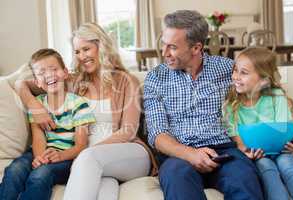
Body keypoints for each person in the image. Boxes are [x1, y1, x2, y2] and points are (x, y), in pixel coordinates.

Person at [15, 23, 152, 200]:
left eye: (86, 49)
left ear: (101, 46)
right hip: (92, 163)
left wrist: (83, 153)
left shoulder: (127, 81)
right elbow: (20, 84)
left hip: (128, 154)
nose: (81, 56)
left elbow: (128, 131)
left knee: (89, 160)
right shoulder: (74, 81)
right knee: (105, 189)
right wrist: (34, 105)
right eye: (77, 52)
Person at [144, 10, 264, 200]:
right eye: (164, 45)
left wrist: (275, 134)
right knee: (178, 181)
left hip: (224, 150)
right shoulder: (156, 77)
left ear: (196, 48)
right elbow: (157, 134)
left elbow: (266, 92)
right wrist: (190, 154)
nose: (164, 53)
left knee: (244, 180)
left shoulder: (228, 68)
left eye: (172, 47)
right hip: (178, 154)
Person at [0, 48, 96, 200]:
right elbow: (38, 138)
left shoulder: (78, 104)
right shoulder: (37, 105)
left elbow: (81, 146)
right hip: (41, 152)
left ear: (65, 72)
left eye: (54, 69)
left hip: (67, 158)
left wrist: (59, 155)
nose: (49, 75)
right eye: (42, 72)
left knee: (40, 175)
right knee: (14, 170)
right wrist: (39, 158)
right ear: (37, 82)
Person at [223, 47, 293, 200]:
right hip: (257, 155)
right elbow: (235, 136)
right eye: (235, 70)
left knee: (288, 166)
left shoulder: (276, 97)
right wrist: (245, 150)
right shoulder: (231, 105)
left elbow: (285, 129)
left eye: (243, 72)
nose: (236, 76)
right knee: (266, 168)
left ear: (264, 80)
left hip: (282, 151)